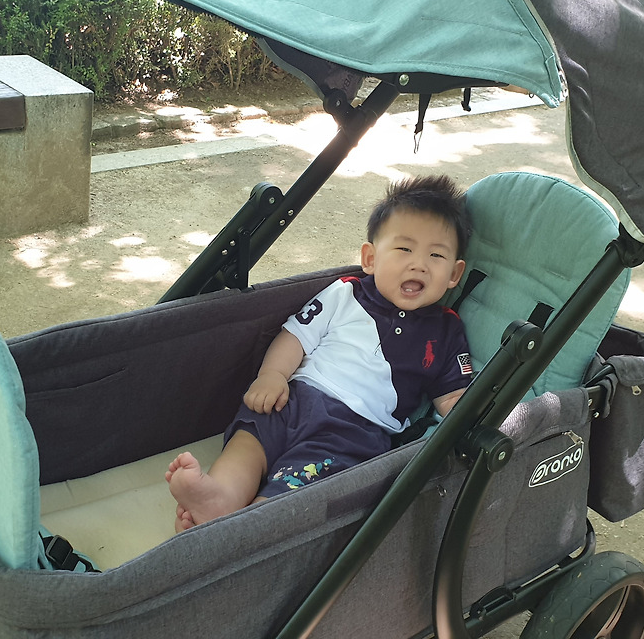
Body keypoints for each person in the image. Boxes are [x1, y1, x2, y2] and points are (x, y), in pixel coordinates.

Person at [165, 174, 475, 530]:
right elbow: (295, 337)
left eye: (436, 255)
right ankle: (221, 495)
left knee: (305, 479)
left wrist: (473, 418)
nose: (418, 264)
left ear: (454, 274)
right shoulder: (345, 293)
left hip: (352, 431)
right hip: (290, 399)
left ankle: (252, 526)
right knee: (250, 440)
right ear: (370, 258)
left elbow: (452, 396)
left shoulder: (446, 330)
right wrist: (272, 375)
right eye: (404, 249)